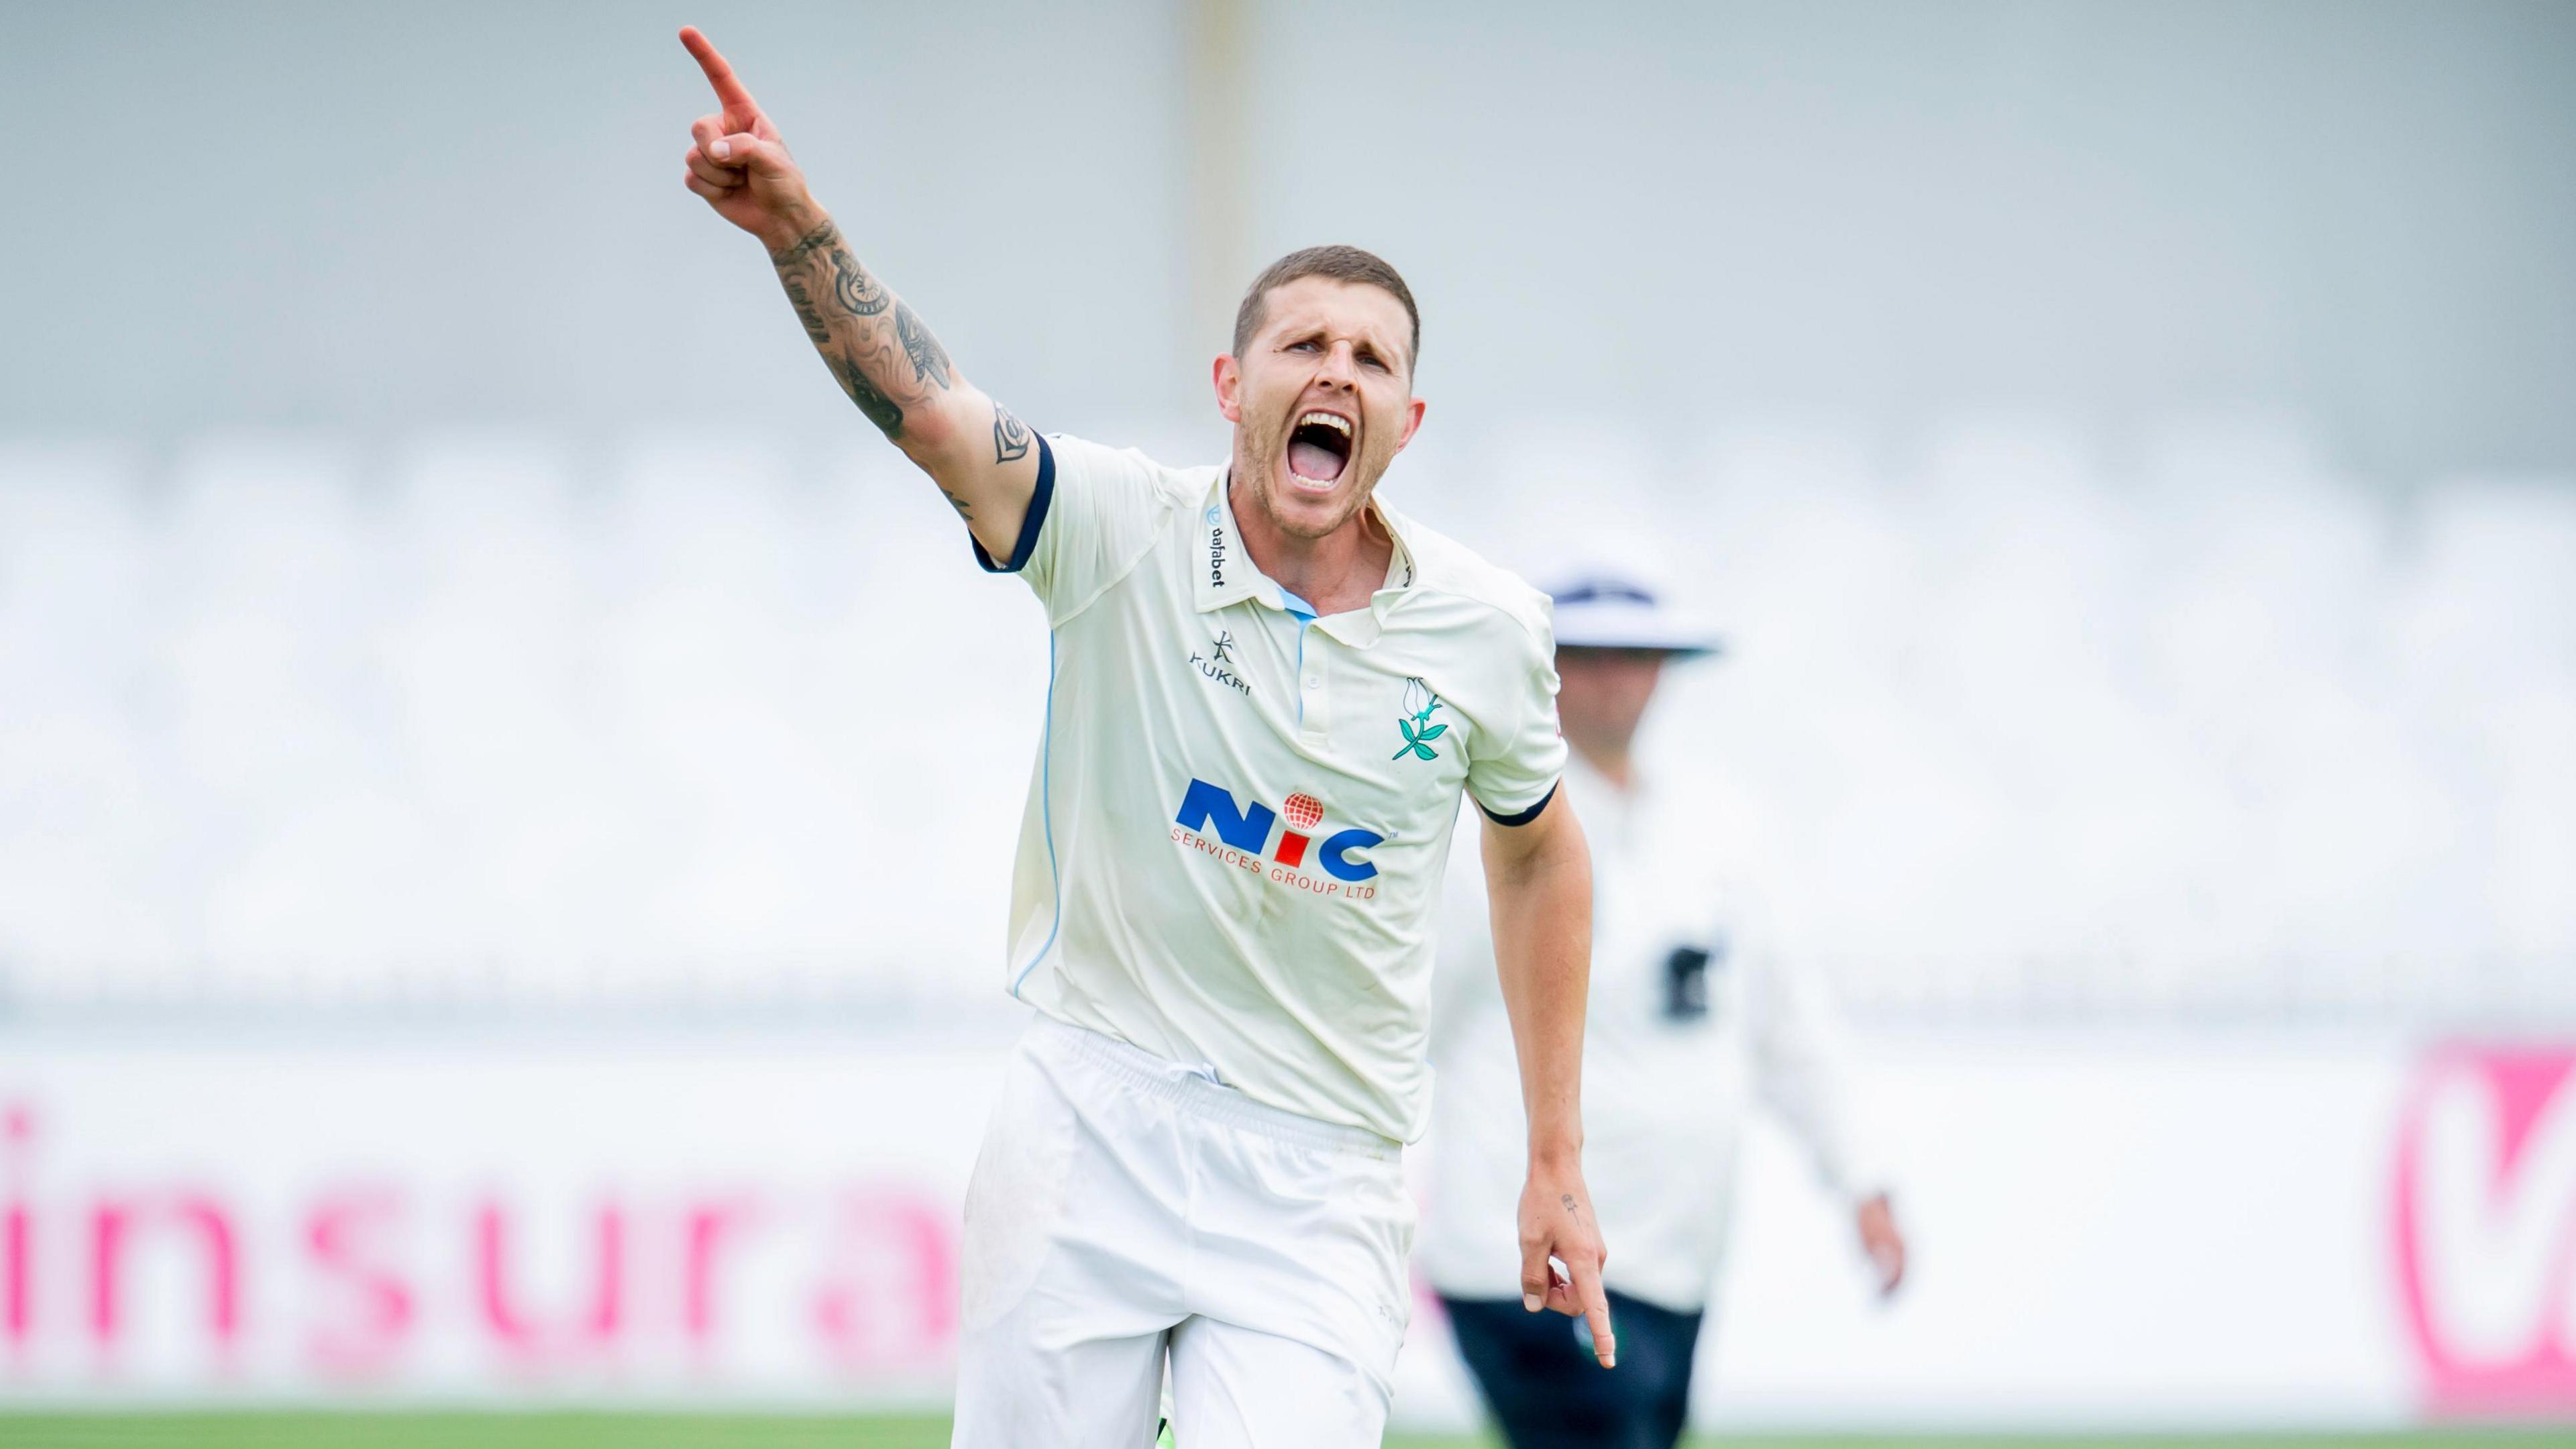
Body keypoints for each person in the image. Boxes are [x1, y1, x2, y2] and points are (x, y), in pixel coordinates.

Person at [674, 28, 1613, 1448]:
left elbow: (1540, 857)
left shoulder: (1488, 627)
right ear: (1233, 387)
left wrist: (1556, 1159)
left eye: (1370, 358)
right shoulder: (1117, 531)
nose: (1335, 373)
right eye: (1302, 344)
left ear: (1405, 423)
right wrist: (799, 229)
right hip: (1090, 1129)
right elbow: (928, 408)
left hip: (1322, 1171)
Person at [1421, 568, 1908, 1449]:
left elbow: (1786, 1026)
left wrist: (1860, 1180)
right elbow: (1398, 1019)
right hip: (1525, 1258)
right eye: (1591, 655)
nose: (1616, 677)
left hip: (1676, 1257)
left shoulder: (1720, 830)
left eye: (1638, 656)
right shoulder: (1474, 829)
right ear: (1547, 669)